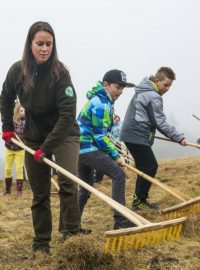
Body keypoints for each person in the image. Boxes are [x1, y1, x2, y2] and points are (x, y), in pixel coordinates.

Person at [0, 21, 87, 254]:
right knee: (40, 192)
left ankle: (71, 236)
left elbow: (68, 115)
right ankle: (41, 243)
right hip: (34, 136)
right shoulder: (17, 71)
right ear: (30, 45)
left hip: (64, 133)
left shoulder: (60, 73)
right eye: (40, 43)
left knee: (68, 182)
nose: (45, 48)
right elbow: (5, 97)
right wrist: (7, 128)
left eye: (49, 44)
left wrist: (47, 148)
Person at [120, 67, 187, 210]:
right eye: (165, 85)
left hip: (132, 133)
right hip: (136, 134)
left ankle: (139, 200)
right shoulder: (153, 95)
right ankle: (139, 201)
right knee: (150, 166)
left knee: (145, 166)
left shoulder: (144, 91)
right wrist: (179, 137)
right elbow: (160, 122)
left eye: (169, 86)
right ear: (157, 81)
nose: (167, 89)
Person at [77, 69, 136, 230]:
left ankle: (72, 227)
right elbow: (100, 136)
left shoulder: (102, 100)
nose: (121, 91)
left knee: (85, 189)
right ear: (105, 85)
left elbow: (103, 134)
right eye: (118, 87)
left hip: (79, 149)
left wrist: (115, 150)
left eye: (123, 88)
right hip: (87, 147)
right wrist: (116, 156)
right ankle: (121, 221)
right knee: (119, 175)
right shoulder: (102, 103)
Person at [1, 103, 25, 196]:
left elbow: (26, 135)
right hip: (9, 148)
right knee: (7, 168)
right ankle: (7, 190)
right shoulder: (11, 121)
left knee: (19, 169)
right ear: (17, 111)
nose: (23, 113)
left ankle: (19, 191)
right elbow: (6, 130)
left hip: (20, 149)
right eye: (21, 111)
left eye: (24, 111)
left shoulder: (26, 122)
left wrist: (21, 140)